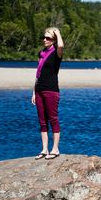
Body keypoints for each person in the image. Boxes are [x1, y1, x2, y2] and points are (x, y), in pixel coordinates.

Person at [32, 27, 64, 160]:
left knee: (53, 119)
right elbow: (38, 74)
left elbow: (61, 45)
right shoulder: (41, 53)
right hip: (39, 90)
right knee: (42, 121)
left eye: (48, 38)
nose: (45, 40)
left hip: (51, 90)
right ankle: (44, 149)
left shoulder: (57, 52)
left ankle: (55, 149)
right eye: (44, 37)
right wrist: (34, 92)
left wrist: (57, 32)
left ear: (54, 40)